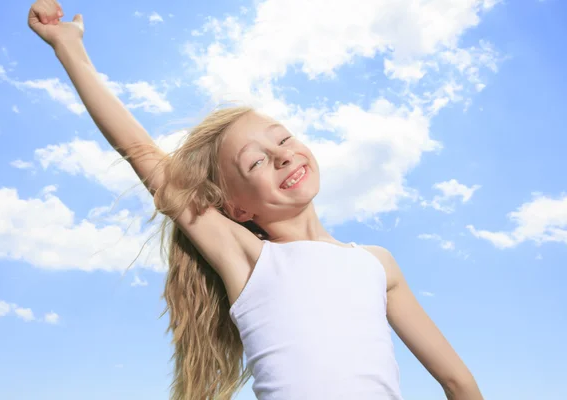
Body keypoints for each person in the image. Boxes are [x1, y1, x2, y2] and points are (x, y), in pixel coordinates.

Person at [27, 1, 484, 399]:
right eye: (256, 163)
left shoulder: (377, 264)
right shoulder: (248, 259)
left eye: (282, 138)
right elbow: (144, 154)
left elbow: (459, 384)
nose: (283, 155)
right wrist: (68, 45)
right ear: (238, 209)